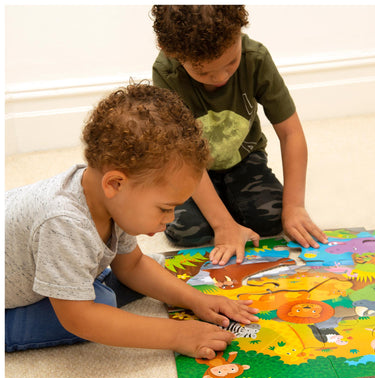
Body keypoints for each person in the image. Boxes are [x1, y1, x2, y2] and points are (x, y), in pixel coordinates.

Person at [5, 83, 259, 359]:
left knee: (136, 278)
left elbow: (133, 265)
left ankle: (82, 284)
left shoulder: (111, 200)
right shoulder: (64, 222)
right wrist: (178, 334)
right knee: (99, 306)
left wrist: (197, 299)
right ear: (115, 183)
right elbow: (78, 318)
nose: (170, 219)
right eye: (164, 208)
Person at [151, 5, 328, 267]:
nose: (221, 77)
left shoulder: (255, 58)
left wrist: (294, 206)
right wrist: (222, 224)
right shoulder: (166, 72)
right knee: (187, 231)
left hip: (244, 159)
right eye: (204, 73)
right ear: (173, 53)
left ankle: (226, 201)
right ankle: (222, 208)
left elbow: (290, 133)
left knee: (271, 219)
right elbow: (185, 157)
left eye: (231, 63)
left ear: (239, 33)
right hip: (190, 168)